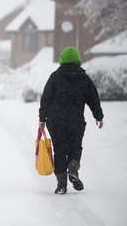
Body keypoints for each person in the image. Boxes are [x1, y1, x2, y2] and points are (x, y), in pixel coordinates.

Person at [38, 46, 104, 194]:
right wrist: (98, 116)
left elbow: (45, 99)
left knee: (59, 150)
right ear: (77, 60)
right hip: (76, 120)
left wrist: (42, 118)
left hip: (56, 121)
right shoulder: (84, 78)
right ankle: (73, 167)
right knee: (75, 146)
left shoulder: (55, 77)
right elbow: (93, 99)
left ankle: (61, 184)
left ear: (62, 60)